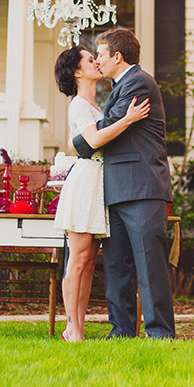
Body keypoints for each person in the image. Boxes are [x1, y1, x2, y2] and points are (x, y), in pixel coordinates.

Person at [71, 28, 175, 340]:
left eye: (100, 54)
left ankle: (160, 334)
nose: (98, 60)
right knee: (117, 267)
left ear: (118, 56)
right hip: (115, 188)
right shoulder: (120, 87)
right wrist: (91, 135)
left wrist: (80, 141)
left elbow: (104, 128)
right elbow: (107, 126)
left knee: (149, 264)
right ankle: (121, 331)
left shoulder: (138, 82)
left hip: (142, 187)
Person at [53, 45, 151, 342]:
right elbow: (93, 139)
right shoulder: (79, 105)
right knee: (78, 260)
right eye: (90, 60)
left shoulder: (97, 107)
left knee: (90, 262)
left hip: (103, 183)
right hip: (86, 184)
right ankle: (74, 328)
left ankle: (76, 328)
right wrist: (128, 119)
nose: (97, 63)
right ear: (77, 72)